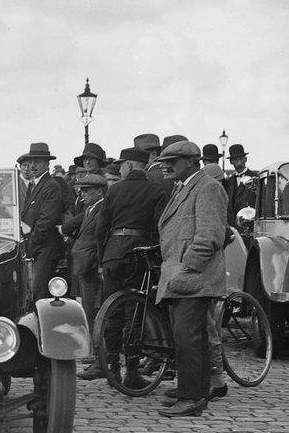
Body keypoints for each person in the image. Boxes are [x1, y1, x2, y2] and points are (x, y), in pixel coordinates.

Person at [155, 141, 227, 418]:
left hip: (193, 278)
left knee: (188, 338)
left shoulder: (207, 187)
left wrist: (187, 268)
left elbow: (210, 236)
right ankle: (195, 392)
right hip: (183, 277)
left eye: (172, 161)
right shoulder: (184, 186)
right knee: (190, 338)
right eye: (163, 161)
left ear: (192, 162)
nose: (165, 166)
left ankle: (191, 397)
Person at [87, 147, 167, 384]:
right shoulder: (156, 190)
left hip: (113, 254)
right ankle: (131, 371)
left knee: (112, 310)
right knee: (135, 310)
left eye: (122, 165)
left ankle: (112, 367)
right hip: (139, 254)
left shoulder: (115, 190)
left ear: (130, 165)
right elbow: (159, 227)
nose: (120, 169)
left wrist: (103, 256)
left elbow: (101, 227)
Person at [64, 172, 107, 373]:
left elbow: (101, 239)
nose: (83, 195)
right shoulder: (90, 209)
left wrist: (100, 266)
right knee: (88, 311)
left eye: (87, 191)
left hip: (92, 267)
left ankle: (100, 357)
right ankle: (96, 353)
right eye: (81, 191)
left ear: (99, 191)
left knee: (94, 312)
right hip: (84, 266)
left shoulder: (102, 209)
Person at [18, 142, 66, 303]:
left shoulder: (51, 186)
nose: (32, 166)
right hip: (36, 246)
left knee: (39, 293)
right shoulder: (35, 185)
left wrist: (31, 244)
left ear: (47, 164)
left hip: (45, 248)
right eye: (31, 162)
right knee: (32, 291)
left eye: (37, 162)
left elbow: (46, 220)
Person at [222, 144, 257, 227]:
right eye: (235, 160)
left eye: (241, 159)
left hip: (249, 225)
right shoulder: (228, 182)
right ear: (231, 162)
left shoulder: (256, 179)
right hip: (233, 226)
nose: (239, 162)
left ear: (245, 159)